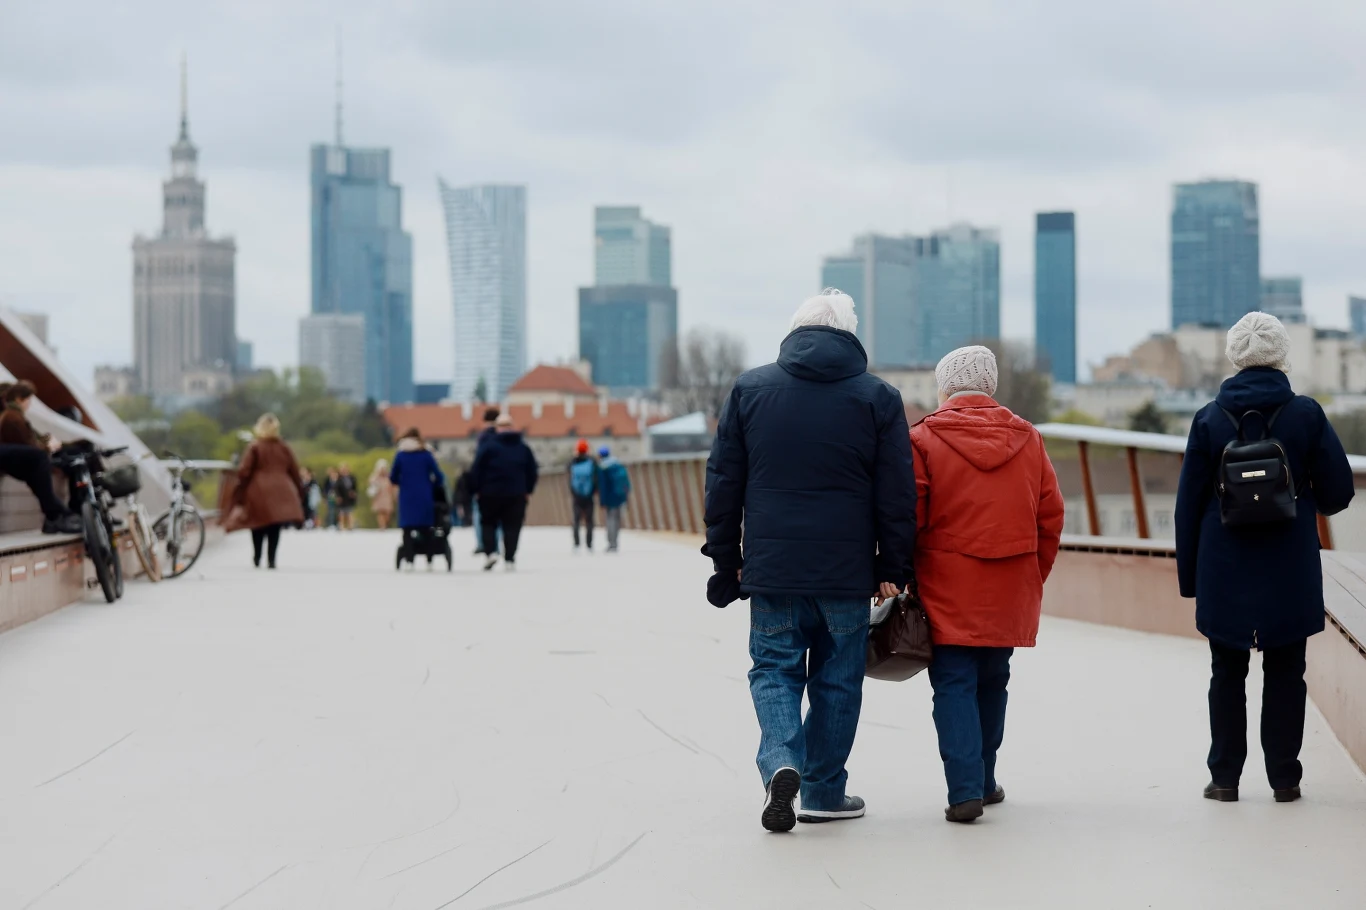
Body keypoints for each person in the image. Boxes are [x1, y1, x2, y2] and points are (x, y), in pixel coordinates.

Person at [703, 289, 917, 833]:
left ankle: (780, 761)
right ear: (848, 335)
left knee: (773, 669)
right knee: (838, 680)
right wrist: (894, 565)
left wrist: (727, 562)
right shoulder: (879, 398)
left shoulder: (750, 390)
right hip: (846, 574)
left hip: (772, 570)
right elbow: (896, 492)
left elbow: (724, 485)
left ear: (796, 332)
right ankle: (823, 791)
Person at [1175, 312, 1354, 804]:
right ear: (1280, 355)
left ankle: (1225, 778)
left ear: (1236, 355)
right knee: (1286, 669)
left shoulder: (1209, 418)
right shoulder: (1306, 414)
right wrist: (1304, 499)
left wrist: (1191, 578)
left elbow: (1187, 505)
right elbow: (1339, 490)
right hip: (1288, 563)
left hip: (1222, 563)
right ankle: (1284, 778)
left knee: (1225, 670)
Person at [911, 346, 1065, 823]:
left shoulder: (922, 439)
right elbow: (1050, 517)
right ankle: (983, 778)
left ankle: (965, 791)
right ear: (991, 385)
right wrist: (1031, 573)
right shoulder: (1029, 439)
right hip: (1010, 580)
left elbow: (910, 518)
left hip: (945, 583)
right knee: (993, 679)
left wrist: (906, 575)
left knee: (953, 682)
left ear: (946, 387)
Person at [224, 413, 305, 569]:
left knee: (257, 523)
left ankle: (257, 556)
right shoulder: (284, 447)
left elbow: (245, 470)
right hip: (281, 488)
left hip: (258, 489)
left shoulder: (255, 447)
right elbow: (294, 470)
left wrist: (240, 484)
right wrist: (299, 490)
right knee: (275, 525)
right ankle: (272, 559)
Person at [0, 381, 81, 534]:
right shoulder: (12, 417)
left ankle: (58, 514)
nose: (29, 404)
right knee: (38, 458)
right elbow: (28, 443)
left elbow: (32, 441)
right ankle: (57, 515)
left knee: (37, 462)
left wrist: (47, 444)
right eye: (28, 400)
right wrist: (48, 446)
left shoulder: (14, 416)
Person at [469, 414, 539, 571]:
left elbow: (477, 469)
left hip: (489, 492)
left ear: (497, 428)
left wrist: (476, 489)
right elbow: (532, 471)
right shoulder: (523, 447)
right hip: (516, 493)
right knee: (512, 526)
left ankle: (491, 552)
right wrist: (528, 490)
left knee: (488, 523)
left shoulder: (488, 446)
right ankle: (509, 558)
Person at [390, 427, 446, 537]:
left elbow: (393, 477)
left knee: (407, 527)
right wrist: (433, 485)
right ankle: (428, 549)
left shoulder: (400, 455)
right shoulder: (426, 454)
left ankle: (408, 549)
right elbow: (438, 476)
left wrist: (401, 482)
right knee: (425, 526)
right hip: (424, 494)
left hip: (406, 496)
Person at [471, 407, 501, 552]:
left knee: (480, 514)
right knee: (500, 516)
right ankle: (498, 545)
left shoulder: (483, 438)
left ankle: (483, 543)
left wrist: (475, 485)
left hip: (486, 484)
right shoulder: (503, 436)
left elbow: (478, 463)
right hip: (503, 482)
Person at [598, 446, 631, 552]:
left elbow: (602, 486)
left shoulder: (603, 467)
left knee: (610, 520)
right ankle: (616, 542)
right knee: (617, 519)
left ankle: (611, 543)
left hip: (609, 497)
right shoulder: (618, 464)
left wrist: (602, 501)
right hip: (620, 496)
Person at [568, 439, 599, 552]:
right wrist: (594, 490)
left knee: (576, 520)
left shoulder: (573, 462)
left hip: (577, 495)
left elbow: (570, 476)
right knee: (589, 520)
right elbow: (595, 478)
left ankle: (576, 544)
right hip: (589, 495)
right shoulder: (592, 461)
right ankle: (589, 544)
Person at [369, 459, 396, 529]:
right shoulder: (375, 477)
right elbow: (371, 483)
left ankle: (386, 524)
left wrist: (394, 495)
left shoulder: (389, 477)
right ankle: (382, 526)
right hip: (379, 497)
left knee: (387, 513)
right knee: (380, 512)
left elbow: (393, 486)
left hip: (387, 496)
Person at [334, 464, 359, 530]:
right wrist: (338, 496)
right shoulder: (339, 479)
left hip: (349, 498)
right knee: (341, 512)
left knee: (349, 511)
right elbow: (336, 488)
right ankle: (341, 526)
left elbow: (355, 487)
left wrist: (353, 493)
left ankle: (350, 525)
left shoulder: (352, 478)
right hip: (342, 497)